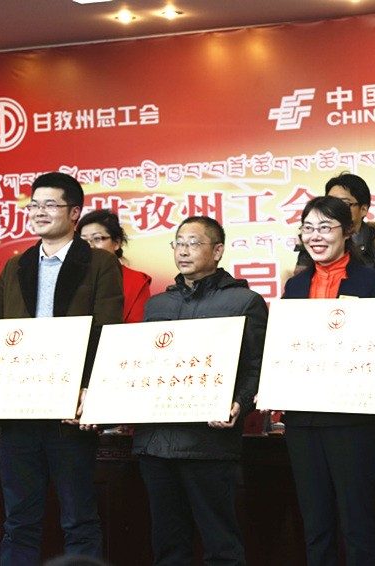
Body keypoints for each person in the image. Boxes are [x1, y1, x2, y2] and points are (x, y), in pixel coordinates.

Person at [0, 172, 124, 565]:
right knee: (18, 521)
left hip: (68, 409)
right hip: (18, 409)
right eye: (34, 205)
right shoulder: (16, 265)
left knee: (79, 519)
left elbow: (106, 329)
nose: (39, 212)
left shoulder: (99, 263)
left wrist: (91, 388)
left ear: (74, 212)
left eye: (50, 204)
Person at [133, 216, 268, 566]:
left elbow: (256, 367)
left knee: (220, 543)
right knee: (167, 545)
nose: (183, 251)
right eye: (178, 243)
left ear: (218, 251)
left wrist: (239, 403)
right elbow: (141, 366)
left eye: (194, 243)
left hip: (209, 442)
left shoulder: (245, 302)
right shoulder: (157, 305)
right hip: (155, 443)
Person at [282, 196, 375, 566]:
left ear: (347, 232)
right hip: (303, 422)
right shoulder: (295, 288)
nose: (315, 236)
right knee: (315, 527)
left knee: (356, 525)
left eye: (325, 227)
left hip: (352, 420)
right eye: (308, 228)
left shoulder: (374, 283)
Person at [295, 172, 375, 297]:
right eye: (330, 202)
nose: (334, 208)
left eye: (344, 203)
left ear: (363, 209)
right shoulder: (314, 243)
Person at [77, 209, 152, 323]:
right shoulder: (72, 276)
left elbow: (137, 326)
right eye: (83, 241)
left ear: (117, 243)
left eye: (97, 239)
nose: (90, 246)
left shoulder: (136, 280)